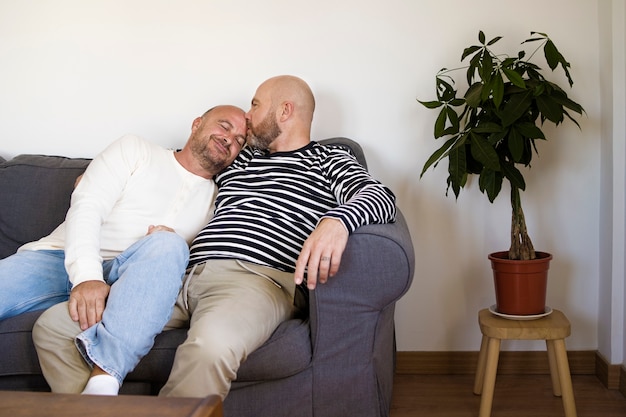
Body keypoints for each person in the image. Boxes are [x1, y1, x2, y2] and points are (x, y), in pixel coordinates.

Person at [33, 75, 396, 399]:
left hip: (254, 280)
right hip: (179, 276)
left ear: (285, 111)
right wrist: (95, 182)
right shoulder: (240, 157)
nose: (247, 116)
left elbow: (379, 196)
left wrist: (336, 222)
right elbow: (182, 168)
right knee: (55, 328)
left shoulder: (328, 159)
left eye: (255, 104)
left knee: (210, 348)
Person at [3, 104, 247, 394]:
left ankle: (104, 383)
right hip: (55, 258)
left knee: (169, 244)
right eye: (224, 126)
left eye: (241, 140)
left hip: (133, 285)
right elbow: (87, 206)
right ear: (197, 124)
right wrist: (87, 277)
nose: (230, 139)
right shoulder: (136, 150)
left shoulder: (223, 200)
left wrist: (170, 244)